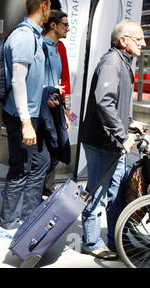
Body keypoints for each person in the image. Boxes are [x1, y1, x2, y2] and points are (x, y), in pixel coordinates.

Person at [79, 20, 146, 259]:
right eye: (138, 39)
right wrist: (122, 135)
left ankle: (118, 240)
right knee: (98, 192)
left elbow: (115, 104)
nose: (143, 43)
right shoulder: (112, 62)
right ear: (124, 41)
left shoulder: (123, 62)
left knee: (114, 194)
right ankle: (91, 242)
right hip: (103, 142)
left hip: (111, 142)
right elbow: (104, 101)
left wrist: (129, 123)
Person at [0, 0, 51, 239]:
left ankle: (29, 215)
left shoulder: (33, 36)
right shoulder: (24, 37)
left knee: (40, 162)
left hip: (29, 114)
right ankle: (7, 224)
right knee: (20, 167)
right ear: (43, 5)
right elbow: (18, 81)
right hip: (22, 116)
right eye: (50, 7)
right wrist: (26, 122)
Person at [41, 10, 71, 196]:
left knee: (55, 148)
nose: (68, 28)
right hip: (40, 107)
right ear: (53, 25)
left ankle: (46, 189)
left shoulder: (61, 48)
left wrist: (66, 107)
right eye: (65, 24)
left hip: (56, 107)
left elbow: (65, 79)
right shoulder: (40, 46)